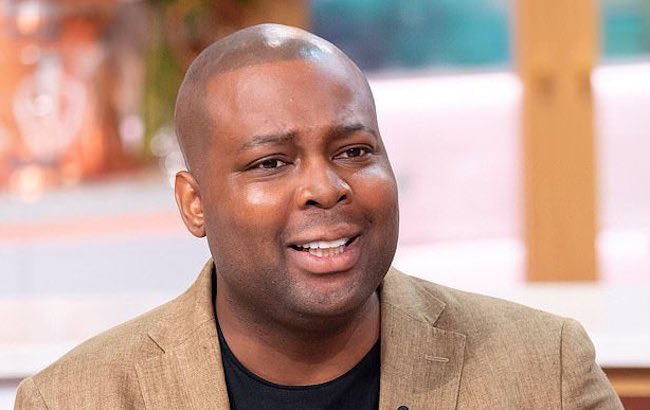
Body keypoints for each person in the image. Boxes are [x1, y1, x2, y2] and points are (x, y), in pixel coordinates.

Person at [15, 24, 622, 410]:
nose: (326, 189)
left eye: (353, 152)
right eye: (271, 163)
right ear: (194, 204)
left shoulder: (545, 371)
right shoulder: (77, 398)